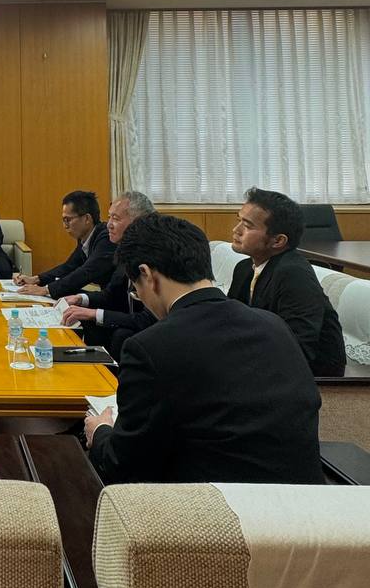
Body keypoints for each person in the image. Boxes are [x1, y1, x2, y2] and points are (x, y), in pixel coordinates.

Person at [84, 213, 323, 485]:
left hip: (215, 502)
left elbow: (123, 464)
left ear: (147, 275)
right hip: (304, 495)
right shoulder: (274, 325)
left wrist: (100, 431)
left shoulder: (149, 347)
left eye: (136, 289)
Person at [229, 187, 346, 378]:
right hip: (266, 361)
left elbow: (299, 346)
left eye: (248, 226)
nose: (236, 230)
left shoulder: (294, 274)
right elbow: (231, 322)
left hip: (315, 378)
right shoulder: (244, 268)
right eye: (239, 220)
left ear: (278, 241)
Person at [57, 191, 157, 360]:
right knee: (85, 317)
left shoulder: (154, 255)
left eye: (115, 219)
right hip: (130, 318)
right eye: (109, 217)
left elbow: (148, 319)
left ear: (138, 222)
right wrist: (80, 299)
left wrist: (94, 313)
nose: (109, 224)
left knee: (120, 334)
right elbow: (111, 294)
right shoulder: (124, 250)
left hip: (154, 329)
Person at [15, 190, 115, 297]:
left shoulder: (106, 238)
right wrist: (36, 279)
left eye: (68, 220)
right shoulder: (85, 238)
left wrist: (46, 290)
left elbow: (86, 272)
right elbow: (69, 267)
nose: (65, 225)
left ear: (87, 219)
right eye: (63, 220)